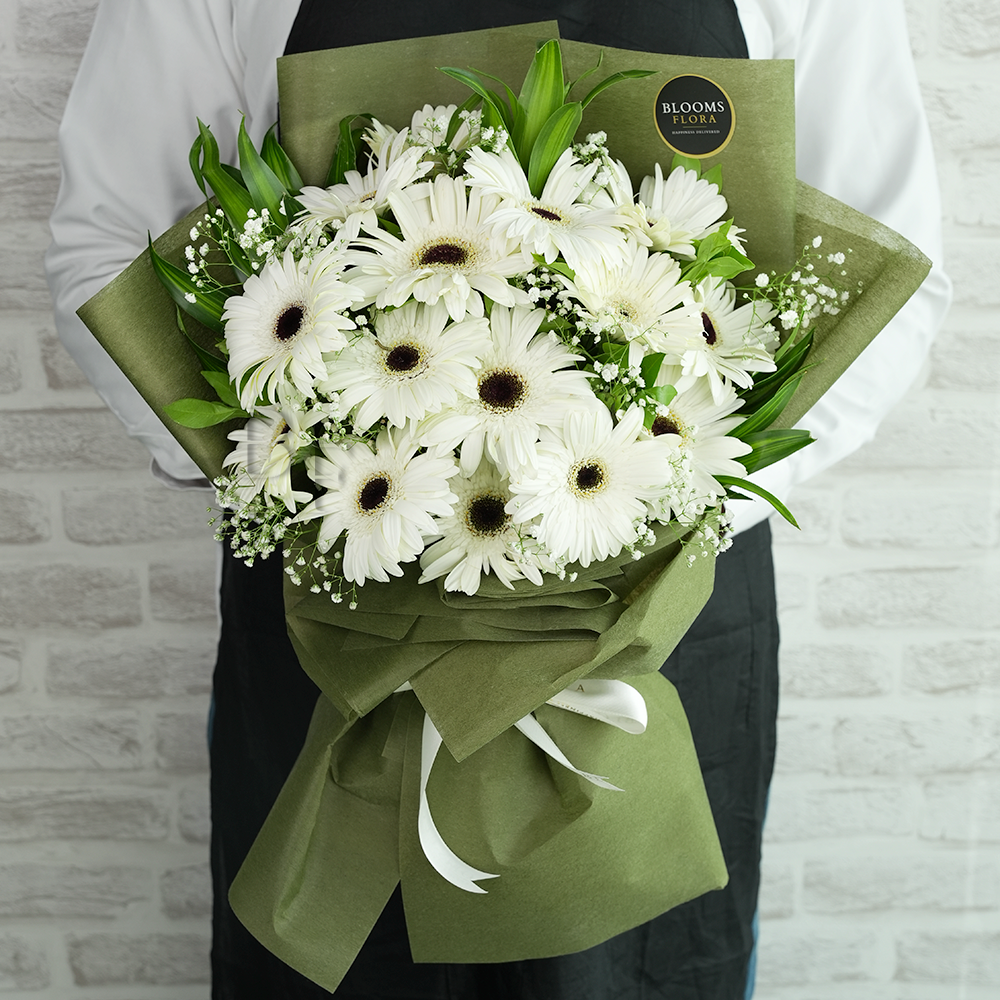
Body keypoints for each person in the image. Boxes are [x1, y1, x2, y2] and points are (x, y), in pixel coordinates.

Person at [45, 2, 950, 997]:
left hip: (662, 625)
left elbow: (890, 271)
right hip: (337, 613)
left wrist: (650, 507)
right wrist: (310, 482)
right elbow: (113, 242)